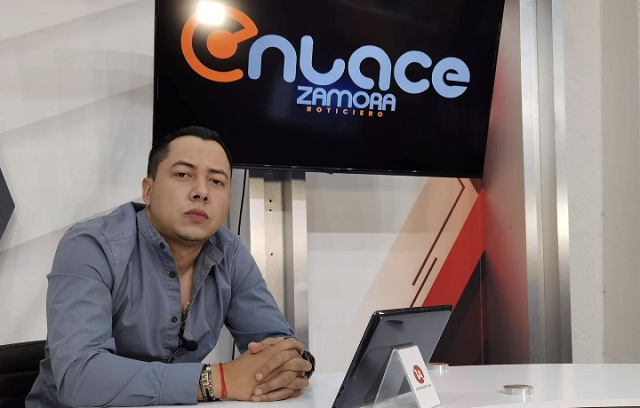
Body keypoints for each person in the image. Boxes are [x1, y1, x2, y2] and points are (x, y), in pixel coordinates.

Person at [26, 126, 314, 407]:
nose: (201, 192)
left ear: (227, 201)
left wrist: (295, 365)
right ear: (148, 190)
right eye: (183, 175)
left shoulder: (230, 253)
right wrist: (219, 379)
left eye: (216, 181)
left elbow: (280, 344)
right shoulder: (91, 246)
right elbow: (79, 379)